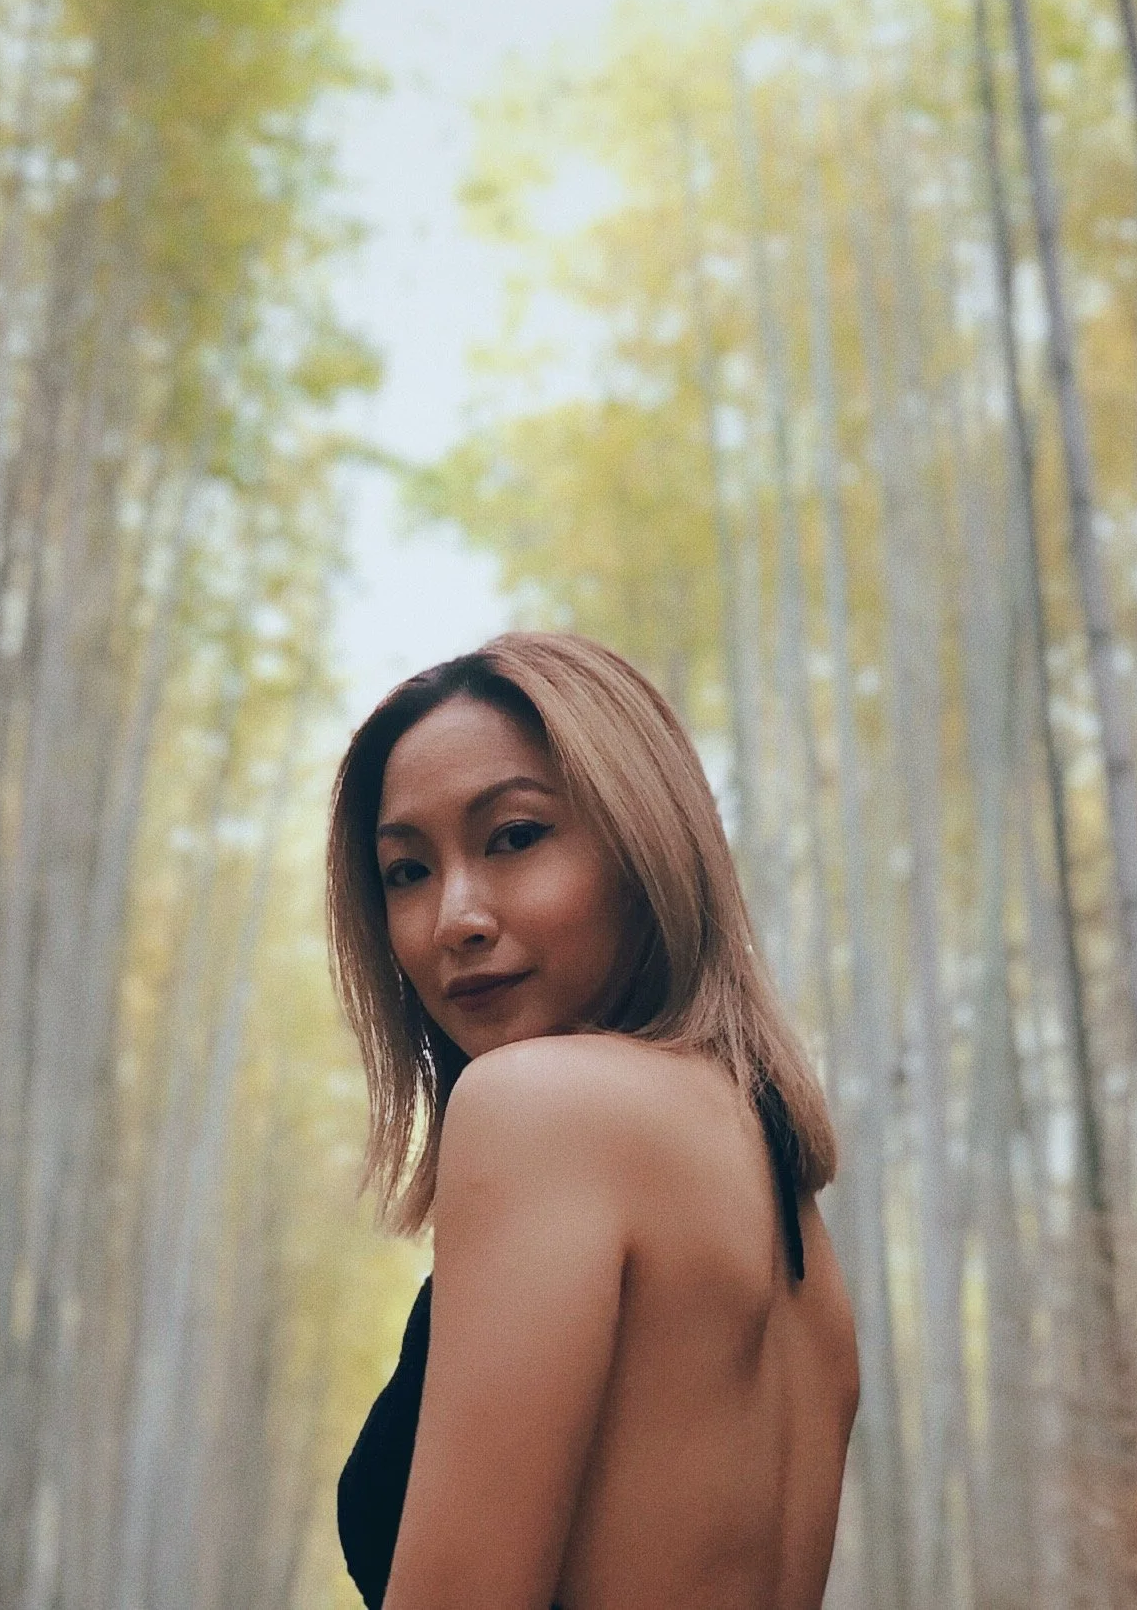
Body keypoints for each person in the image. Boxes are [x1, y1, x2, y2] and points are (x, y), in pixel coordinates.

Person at [327, 632, 857, 1610]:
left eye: (516, 837)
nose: (456, 916)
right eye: (406, 871)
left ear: (644, 839)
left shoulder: (540, 1110)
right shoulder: (787, 1209)